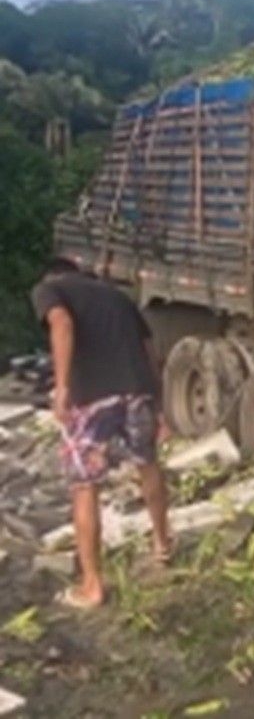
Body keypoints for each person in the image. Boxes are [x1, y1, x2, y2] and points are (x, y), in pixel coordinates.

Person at [31, 257, 172, 608]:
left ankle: (92, 586)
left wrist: (62, 388)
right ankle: (162, 544)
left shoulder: (50, 289)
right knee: (148, 465)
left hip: (91, 400)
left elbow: (62, 323)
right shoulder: (117, 296)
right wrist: (158, 404)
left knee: (85, 486)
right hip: (137, 391)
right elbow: (149, 351)